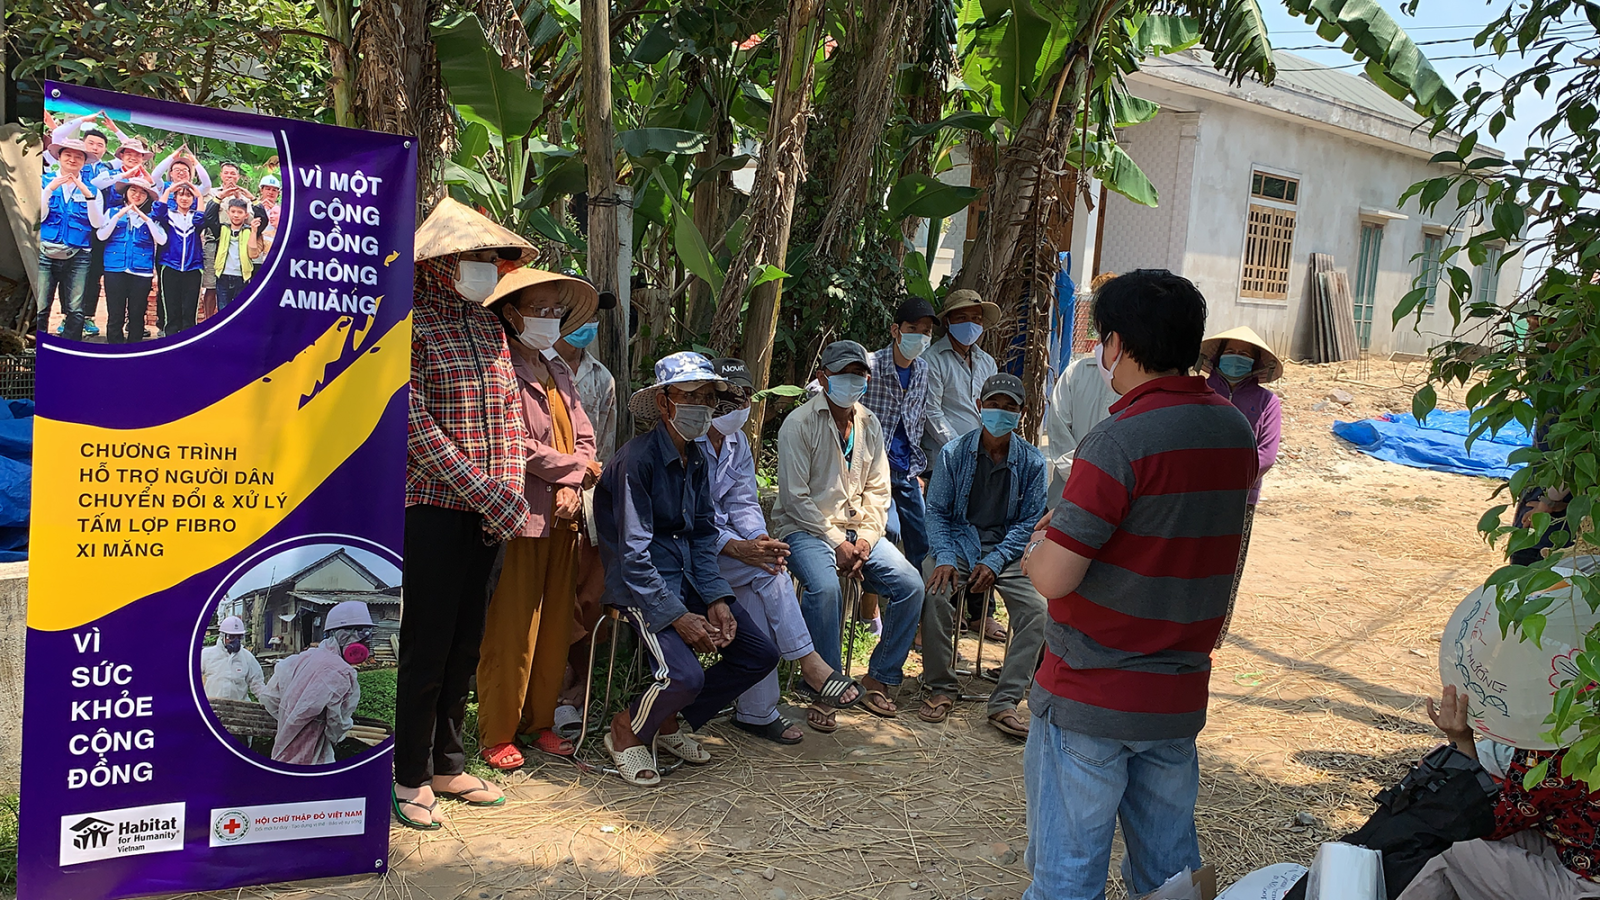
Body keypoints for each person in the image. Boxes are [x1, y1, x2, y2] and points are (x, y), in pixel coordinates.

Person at [1018, 269, 1257, 900]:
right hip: (1176, 695)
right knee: (1170, 874)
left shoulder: (1120, 440)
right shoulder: (1232, 431)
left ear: (1117, 344)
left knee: (1068, 877)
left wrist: (1040, 541)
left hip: (1092, 692)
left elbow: (1054, 576)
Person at [397, 198, 538, 829]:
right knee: (426, 643)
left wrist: (506, 494)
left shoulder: (488, 326)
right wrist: (489, 493)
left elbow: (509, 417)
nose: (486, 267)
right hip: (433, 506)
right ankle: (408, 773)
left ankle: (448, 762)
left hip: (491, 510)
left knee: (465, 641)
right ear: (441, 262)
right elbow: (412, 425)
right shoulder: (411, 323)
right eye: (475, 257)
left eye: (491, 257)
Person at [595, 352, 780, 786]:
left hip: (690, 577)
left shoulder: (696, 459)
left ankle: (666, 720)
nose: (701, 406)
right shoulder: (636, 461)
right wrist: (677, 615)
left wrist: (717, 599)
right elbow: (633, 555)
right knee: (684, 673)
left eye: (707, 397)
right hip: (642, 586)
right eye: (690, 396)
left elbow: (700, 535)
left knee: (759, 654)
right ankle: (627, 730)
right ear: (664, 403)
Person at [475, 268, 601, 769]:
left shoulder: (557, 368)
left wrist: (574, 483)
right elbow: (511, 442)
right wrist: (574, 471)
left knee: (554, 624)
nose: (549, 319)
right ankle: (497, 731)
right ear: (511, 313)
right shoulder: (498, 364)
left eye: (555, 311)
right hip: (521, 512)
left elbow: (586, 434)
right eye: (540, 309)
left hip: (567, 517)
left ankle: (540, 721)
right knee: (512, 626)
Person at [699, 358, 862, 743]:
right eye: (726, 400)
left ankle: (757, 711)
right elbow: (694, 515)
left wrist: (759, 541)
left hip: (731, 553)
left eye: (742, 399)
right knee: (767, 574)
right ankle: (810, 664)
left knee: (765, 576)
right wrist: (740, 547)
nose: (735, 408)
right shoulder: (690, 440)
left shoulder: (737, 442)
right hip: (696, 552)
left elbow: (743, 500)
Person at [772, 340, 925, 721]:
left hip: (858, 533)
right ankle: (828, 685)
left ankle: (879, 677)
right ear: (823, 378)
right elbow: (795, 498)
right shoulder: (800, 424)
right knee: (824, 590)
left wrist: (867, 542)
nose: (852, 381)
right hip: (805, 529)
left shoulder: (869, 424)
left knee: (910, 586)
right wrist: (838, 541)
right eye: (843, 374)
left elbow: (879, 491)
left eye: (859, 375)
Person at [919, 373, 1048, 740]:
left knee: (1037, 610)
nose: (1000, 413)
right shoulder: (953, 453)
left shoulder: (1033, 463)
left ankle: (1005, 701)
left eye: (1009, 408)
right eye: (993, 405)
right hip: (958, 542)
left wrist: (995, 561)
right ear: (979, 406)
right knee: (935, 592)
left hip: (1008, 550)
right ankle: (941, 686)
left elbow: (1029, 523)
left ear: (1021, 414)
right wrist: (943, 555)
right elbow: (938, 511)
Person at [1397, 684, 1600, 900]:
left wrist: (1460, 740)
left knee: (1448, 833)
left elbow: (1483, 821)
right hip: (1571, 850)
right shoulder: (1586, 706)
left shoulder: (1557, 746)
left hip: (1583, 885)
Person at [549, 293, 617, 739]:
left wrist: (587, 488)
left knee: (588, 596)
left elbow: (604, 446)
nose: (588, 323)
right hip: (542, 497)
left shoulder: (602, 379)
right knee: (550, 596)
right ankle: (552, 689)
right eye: (580, 316)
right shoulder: (535, 364)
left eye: (594, 317)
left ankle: (577, 689)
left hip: (589, 500)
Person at [923, 290, 1005, 642]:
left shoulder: (988, 363)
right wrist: (960, 449)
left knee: (983, 530)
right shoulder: (932, 360)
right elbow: (931, 411)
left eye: (976, 318)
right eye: (962, 317)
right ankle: (945, 610)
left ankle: (980, 613)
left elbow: (992, 408)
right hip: (944, 460)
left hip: (983, 461)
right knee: (948, 533)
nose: (970, 324)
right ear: (947, 322)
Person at [1200, 326, 1283, 646]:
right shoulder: (1199, 390)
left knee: (1227, 569)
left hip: (1240, 501)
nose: (1238, 359)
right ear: (1218, 357)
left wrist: (1227, 482)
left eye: (1246, 355)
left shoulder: (1267, 403)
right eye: (1232, 352)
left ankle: (1213, 638)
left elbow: (1266, 455)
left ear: (1257, 363)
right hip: (1193, 495)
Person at [862, 296, 938, 633]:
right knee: (886, 532)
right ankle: (870, 605)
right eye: (912, 329)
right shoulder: (870, 365)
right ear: (896, 330)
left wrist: (918, 470)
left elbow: (918, 418)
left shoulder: (922, 369)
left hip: (907, 469)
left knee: (921, 539)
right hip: (871, 469)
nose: (919, 337)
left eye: (926, 332)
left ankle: (919, 620)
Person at [260, 600, 370, 766]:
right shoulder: (342, 672)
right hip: (313, 756)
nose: (366, 641)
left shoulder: (300, 658)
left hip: (282, 750)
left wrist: (291, 721)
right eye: (363, 634)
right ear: (346, 635)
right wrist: (319, 728)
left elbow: (270, 697)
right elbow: (337, 724)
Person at [39, 137, 100, 341]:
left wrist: (87, 195)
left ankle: (70, 346)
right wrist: (48, 191)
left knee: (75, 307)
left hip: (79, 254)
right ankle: (37, 346)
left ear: (84, 161)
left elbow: (97, 223)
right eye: (68, 155)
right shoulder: (44, 182)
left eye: (78, 157)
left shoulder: (92, 189)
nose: (72, 160)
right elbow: (38, 217)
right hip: (45, 252)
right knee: (41, 304)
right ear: (59, 157)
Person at [93, 174, 166, 344]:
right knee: (115, 313)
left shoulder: (152, 217)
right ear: (126, 192)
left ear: (147, 197)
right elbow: (101, 236)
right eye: (133, 190)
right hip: (114, 269)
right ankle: (114, 351)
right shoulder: (112, 212)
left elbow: (161, 240)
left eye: (142, 192)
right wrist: (119, 215)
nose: (137, 195)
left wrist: (145, 218)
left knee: (137, 313)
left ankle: (134, 352)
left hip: (142, 272)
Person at [1044, 341, 1118, 507]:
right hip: (1064, 500)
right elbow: (1059, 434)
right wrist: (1089, 482)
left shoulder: (1140, 385)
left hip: (1114, 505)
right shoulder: (1075, 374)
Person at [155, 180, 206, 335]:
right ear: (175, 198)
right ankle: (169, 340)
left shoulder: (194, 216)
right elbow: (157, 212)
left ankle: (188, 342)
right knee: (171, 307)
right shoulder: (169, 215)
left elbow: (201, 220)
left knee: (190, 309)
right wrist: (168, 190)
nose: (185, 198)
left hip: (193, 266)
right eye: (181, 195)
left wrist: (199, 196)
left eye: (189, 196)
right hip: (170, 265)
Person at [204, 198, 262, 310]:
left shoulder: (250, 231)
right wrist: (220, 197)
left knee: (239, 311)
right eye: (233, 211)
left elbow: (262, 219)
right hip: (223, 277)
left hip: (242, 278)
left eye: (240, 212)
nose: (236, 215)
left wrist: (253, 199)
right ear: (228, 213)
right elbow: (209, 217)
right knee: (223, 310)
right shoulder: (221, 229)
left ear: (246, 215)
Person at [200, 615, 268, 702]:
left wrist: (268, 703)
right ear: (222, 636)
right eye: (231, 637)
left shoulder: (247, 658)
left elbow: (257, 684)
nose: (235, 641)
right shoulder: (207, 655)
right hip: (212, 706)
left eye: (239, 637)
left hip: (239, 709)